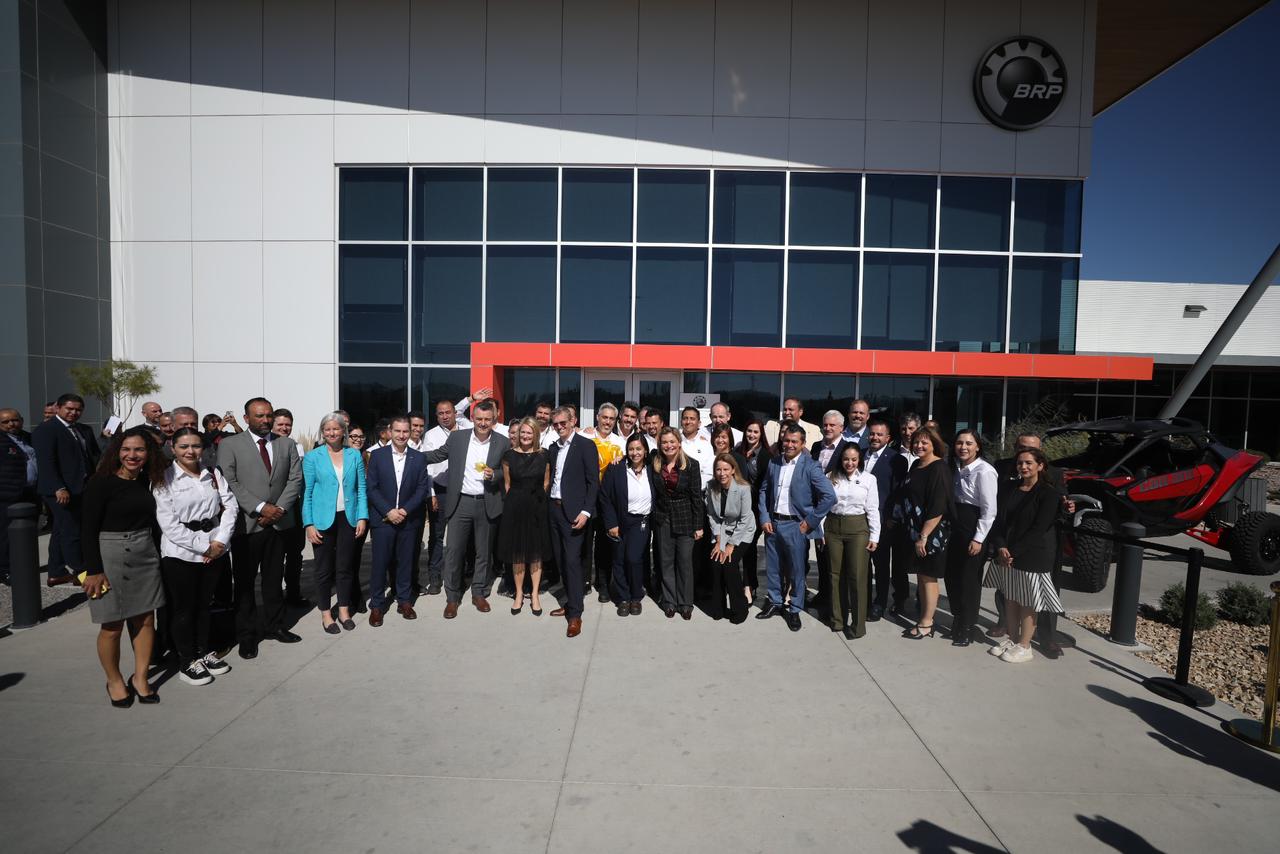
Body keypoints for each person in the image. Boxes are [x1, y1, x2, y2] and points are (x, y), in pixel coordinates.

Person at [80, 427, 167, 706]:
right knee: (112, 624)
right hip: (110, 556)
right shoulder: (101, 482)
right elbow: (87, 529)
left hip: (145, 553)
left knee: (145, 619)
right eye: (126, 449)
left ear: (148, 453)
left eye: (139, 449)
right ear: (117, 451)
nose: (132, 455)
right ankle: (114, 680)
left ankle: (140, 678)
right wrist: (94, 570)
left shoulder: (148, 480)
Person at [217, 397, 304, 659]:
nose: (266, 420)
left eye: (268, 415)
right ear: (246, 418)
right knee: (244, 584)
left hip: (279, 524)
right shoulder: (230, 445)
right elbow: (229, 481)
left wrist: (278, 510)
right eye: (259, 416)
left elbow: (295, 479)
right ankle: (247, 635)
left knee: (273, 579)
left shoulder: (287, 444)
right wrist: (260, 507)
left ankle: (275, 625)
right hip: (247, 526)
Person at [153, 427, 238, 686]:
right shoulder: (163, 479)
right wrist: (204, 547)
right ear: (173, 448)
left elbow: (230, 506)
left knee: (204, 605)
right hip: (181, 553)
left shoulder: (212, 473)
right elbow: (169, 524)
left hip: (215, 547)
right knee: (184, 609)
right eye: (184, 446)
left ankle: (203, 651)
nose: (190, 451)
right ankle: (186, 660)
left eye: (196, 446)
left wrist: (220, 541)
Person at [420, 400, 510, 618]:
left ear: (494, 419)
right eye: (479, 419)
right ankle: (452, 597)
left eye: (487, 419)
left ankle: (479, 592)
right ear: (472, 418)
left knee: (483, 553)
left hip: (487, 502)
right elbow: (437, 455)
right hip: (461, 502)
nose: (483, 423)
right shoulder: (458, 438)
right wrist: (409, 453)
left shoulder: (503, 442)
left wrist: (495, 474)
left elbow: (507, 470)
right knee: (454, 551)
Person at [991, 434, 1070, 658]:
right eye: (1020, 463)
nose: (1023, 466)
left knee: (1028, 601)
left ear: (1040, 465)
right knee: (1011, 597)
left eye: (1028, 463)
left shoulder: (1049, 492)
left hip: (1032, 553)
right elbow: (999, 520)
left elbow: (1039, 528)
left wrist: (1013, 552)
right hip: (1007, 552)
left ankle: (1025, 646)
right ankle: (1013, 639)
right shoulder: (1009, 488)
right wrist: (1001, 547)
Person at [757, 423, 836, 631]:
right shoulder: (774, 462)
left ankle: (794, 608)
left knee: (796, 570)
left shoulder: (811, 466)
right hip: (773, 523)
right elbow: (764, 490)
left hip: (796, 525)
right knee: (773, 568)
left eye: (794, 441)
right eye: (786, 441)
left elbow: (829, 496)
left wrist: (810, 521)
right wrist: (764, 517)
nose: (789, 445)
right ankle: (775, 601)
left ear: (802, 444)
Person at [302, 413, 368, 634]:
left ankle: (344, 611)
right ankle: (326, 614)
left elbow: (361, 489)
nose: (332, 433)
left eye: (336, 429)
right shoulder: (313, 457)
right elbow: (307, 493)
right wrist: (309, 524)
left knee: (345, 567)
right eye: (327, 429)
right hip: (322, 519)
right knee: (323, 569)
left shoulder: (354, 454)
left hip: (348, 518)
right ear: (323, 432)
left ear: (343, 431)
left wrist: (362, 516)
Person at [366, 416, 430, 625]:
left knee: (406, 561)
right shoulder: (377, 456)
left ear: (410, 432)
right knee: (380, 562)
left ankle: (404, 601)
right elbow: (371, 488)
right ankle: (377, 605)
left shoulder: (418, 458)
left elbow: (422, 488)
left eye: (405, 431)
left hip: (408, 519)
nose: (401, 435)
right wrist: (388, 511)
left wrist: (404, 510)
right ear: (390, 431)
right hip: (383, 519)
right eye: (397, 431)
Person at [33, 393, 101, 587]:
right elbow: (46, 462)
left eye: (78, 410)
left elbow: (93, 456)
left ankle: (56, 572)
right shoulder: (46, 430)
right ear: (58, 408)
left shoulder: (84, 429)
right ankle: (82, 572)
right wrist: (58, 487)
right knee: (71, 531)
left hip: (82, 488)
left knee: (61, 530)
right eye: (69, 409)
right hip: (59, 490)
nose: (73, 413)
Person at [893, 425, 952, 639]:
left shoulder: (939, 468)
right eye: (916, 442)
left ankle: (927, 622)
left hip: (930, 532)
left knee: (928, 576)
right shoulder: (916, 465)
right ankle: (925, 617)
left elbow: (939, 505)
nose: (919, 445)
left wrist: (924, 536)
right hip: (914, 531)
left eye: (924, 442)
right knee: (921, 575)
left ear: (934, 444)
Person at [544, 406, 599, 638]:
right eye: (555, 424)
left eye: (563, 423)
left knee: (572, 562)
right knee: (560, 561)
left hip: (574, 514)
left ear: (573, 421)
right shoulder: (553, 448)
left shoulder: (586, 445)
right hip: (554, 510)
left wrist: (586, 511)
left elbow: (593, 482)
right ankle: (570, 601)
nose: (559, 427)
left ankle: (575, 614)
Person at [944, 429, 998, 647]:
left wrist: (978, 538)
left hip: (973, 527)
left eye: (968, 443)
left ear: (977, 447)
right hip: (955, 526)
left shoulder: (985, 471)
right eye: (959, 443)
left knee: (969, 580)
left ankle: (968, 626)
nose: (963, 447)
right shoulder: (955, 467)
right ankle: (957, 618)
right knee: (952, 576)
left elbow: (989, 510)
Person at [601, 433, 664, 617]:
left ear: (645, 451)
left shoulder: (652, 468)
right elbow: (605, 497)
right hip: (620, 520)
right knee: (619, 560)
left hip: (641, 522)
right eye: (631, 449)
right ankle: (624, 598)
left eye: (638, 449)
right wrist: (611, 523)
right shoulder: (616, 468)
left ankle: (636, 595)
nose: (635, 453)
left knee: (634, 559)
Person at [823, 444, 880, 639]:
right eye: (846, 459)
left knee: (857, 576)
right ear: (841, 459)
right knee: (834, 574)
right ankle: (837, 620)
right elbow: (823, 504)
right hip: (833, 527)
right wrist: (821, 530)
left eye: (854, 459)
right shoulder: (830, 477)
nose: (850, 463)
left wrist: (874, 536)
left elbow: (872, 509)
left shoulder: (868, 479)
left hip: (858, 528)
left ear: (859, 460)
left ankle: (857, 626)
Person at [498, 417, 551, 616]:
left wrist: (536, 500)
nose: (526, 435)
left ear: (536, 434)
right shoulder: (508, 456)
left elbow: (546, 482)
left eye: (530, 432)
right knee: (518, 554)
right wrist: (517, 501)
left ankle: (535, 594)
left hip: (537, 508)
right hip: (515, 508)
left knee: (536, 554)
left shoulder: (544, 455)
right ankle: (519, 594)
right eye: (523, 432)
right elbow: (507, 484)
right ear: (518, 434)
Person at [651, 427, 704, 620]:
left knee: (684, 563)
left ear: (679, 443)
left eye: (672, 441)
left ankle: (686, 603)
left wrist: (698, 525)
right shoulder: (654, 461)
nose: (668, 445)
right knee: (666, 562)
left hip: (685, 518)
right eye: (664, 442)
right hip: (662, 518)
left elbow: (696, 497)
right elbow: (634, 456)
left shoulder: (692, 465)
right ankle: (669, 602)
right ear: (659, 445)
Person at [808, 410, 853, 618]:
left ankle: (835, 600)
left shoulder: (848, 448)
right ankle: (823, 593)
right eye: (825, 425)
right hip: (817, 508)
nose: (827, 428)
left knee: (835, 559)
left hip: (836, 509)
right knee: (821, 553)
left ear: (841, 428)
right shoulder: (816, 447)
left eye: (832, 425)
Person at [863, 419, 908, 621]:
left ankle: (879, 603)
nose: (875, 437)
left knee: (881, 566)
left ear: (888, 438)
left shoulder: (897, 460)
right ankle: (863, 600)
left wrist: (891, 518)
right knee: (862, 564)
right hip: (858, 519)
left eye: (879, 434)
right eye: (872, 433)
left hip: (883, 521)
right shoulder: (859, 454)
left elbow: (898, 493)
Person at [580, 403, 626, 602]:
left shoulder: (620, 443)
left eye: (611, 419)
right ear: (597, 417)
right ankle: (584, 581)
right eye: (604, 417)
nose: (607, 422)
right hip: (586, 498)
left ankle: (603, 583)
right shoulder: (585, 437)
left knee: (604, 544)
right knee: (584, 542)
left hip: (608, 501)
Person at [705, 452, 757, 624]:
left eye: (726, 469)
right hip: (722, 530)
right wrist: (719, 540)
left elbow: (745, 519)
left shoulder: (743, 488)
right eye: (718, 469)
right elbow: (712, 515)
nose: (722, 473)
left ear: (733, 470)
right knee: (715, 562)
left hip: (743, 531)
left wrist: (731, 545)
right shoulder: (711, 486)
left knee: (729, 563)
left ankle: (740, 608)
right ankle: (718, 608)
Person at [270, 408, 307, 606]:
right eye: (280, 424)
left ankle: (293, 593)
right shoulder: (266, 448)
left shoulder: (297, 447)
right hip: (272, 509)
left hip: (295, 507)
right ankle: (275, 597)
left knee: (295, 554)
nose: (284, 428)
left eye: (288, 425)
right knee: (274, 558)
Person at [734, 418, 771, 605]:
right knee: (739, 546)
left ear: (761, 434)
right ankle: (741, 584)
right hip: (737, 508)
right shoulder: (737, 452)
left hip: (755, 509)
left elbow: (766, 486)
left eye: (756, 432)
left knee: (748, 546)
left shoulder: (766, 455)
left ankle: (748, 586)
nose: (752, 435)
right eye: (749, 431)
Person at [1, 408, 38, 584]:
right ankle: (5, 570)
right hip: (7, 495)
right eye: (5, 422)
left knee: (28, 532)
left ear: (21, 420)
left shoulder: (29, 437)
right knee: (6, 535)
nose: (11, 424)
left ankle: (23, 565)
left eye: (15, 420)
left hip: (30, 493)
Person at [678, 406, 714, 489]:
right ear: (681, 422)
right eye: (685, 418)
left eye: (692, 419)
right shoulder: (675, 441)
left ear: (699, 423)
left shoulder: (706, 445)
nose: (688, 422)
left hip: (699, 490)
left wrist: (695, 488)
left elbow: (708, 473)